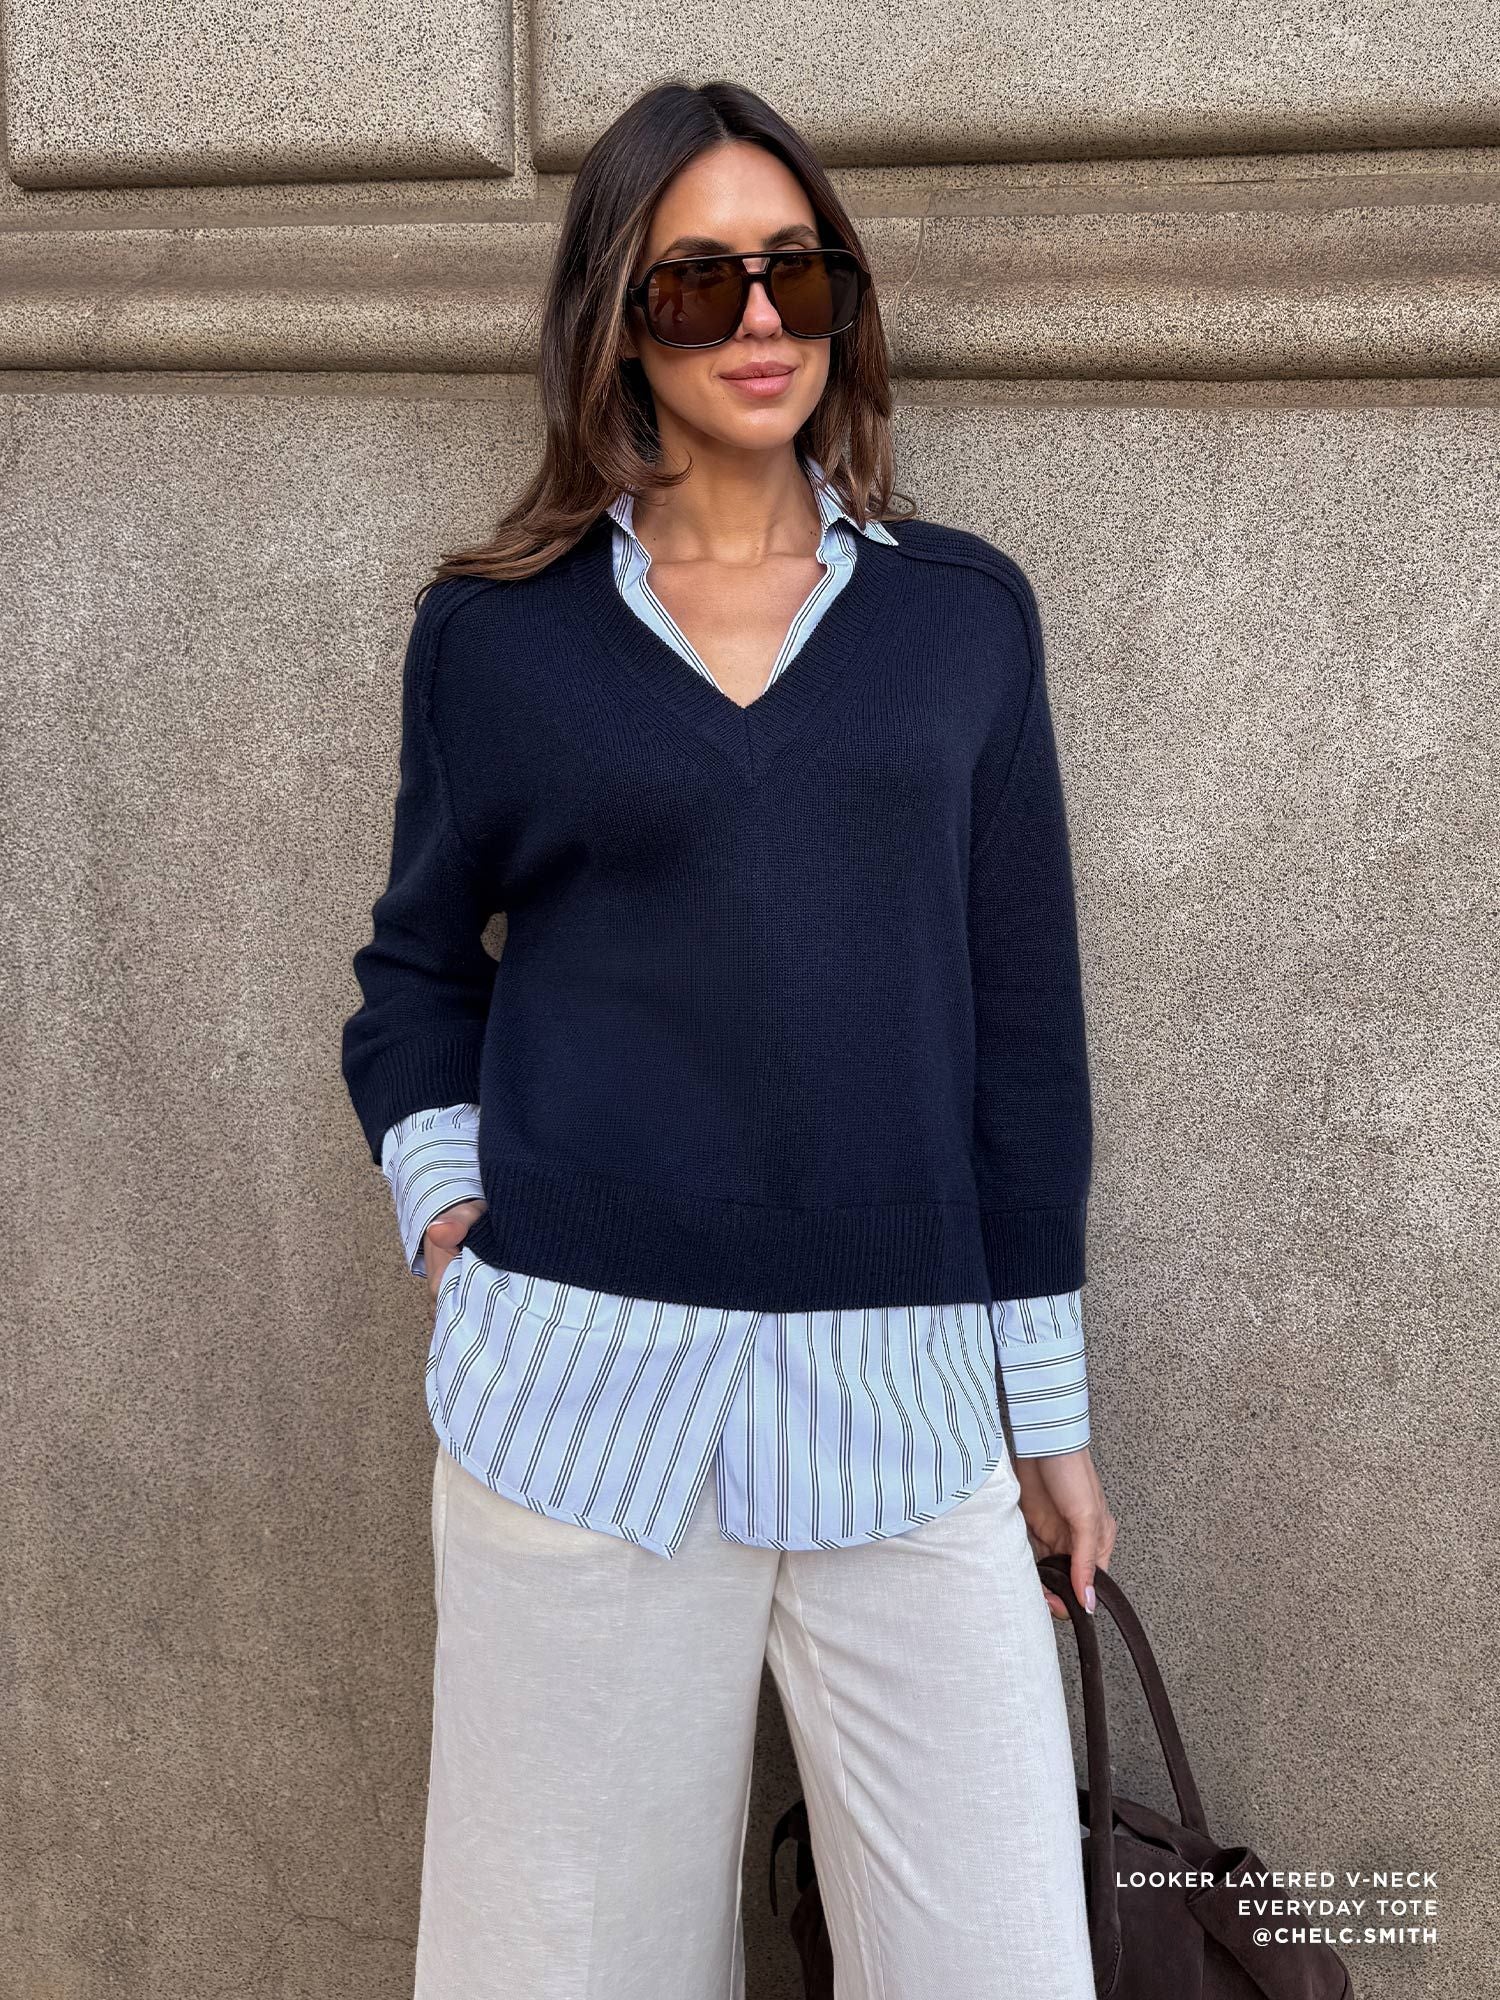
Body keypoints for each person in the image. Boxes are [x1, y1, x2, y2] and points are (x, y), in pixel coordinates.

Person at [342, 75, 1117, 2000]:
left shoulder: (962, 622)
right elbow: (417, 975)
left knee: (999, 1960)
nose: (758, 322)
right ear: (617, 313)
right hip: (579, 1410)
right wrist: (452, 1214)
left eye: (797, 274)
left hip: (913, 1409)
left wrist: (1050, 1413)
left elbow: (1024, 1033)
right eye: (698, 286)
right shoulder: (495, 636)